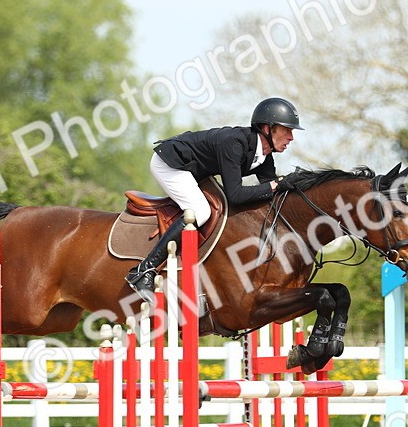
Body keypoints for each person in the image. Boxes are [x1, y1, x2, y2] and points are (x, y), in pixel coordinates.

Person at [124, 97, 304, 302]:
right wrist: (275, 185)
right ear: (267, 127)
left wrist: (294, 186)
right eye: (287, 130)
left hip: (195, 171)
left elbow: (271, 194)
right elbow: (235, 195)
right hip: (171, 164)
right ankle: (143, 270)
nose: (291, 137)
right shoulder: (234, 143)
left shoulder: (265, 156)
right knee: (200, 212)